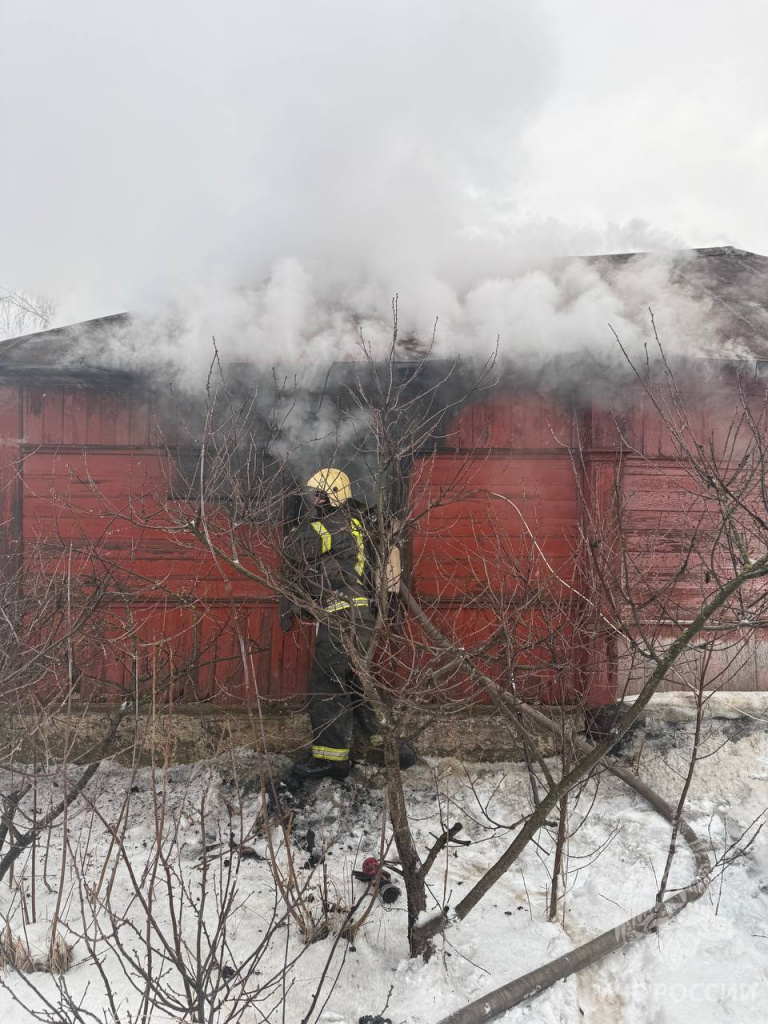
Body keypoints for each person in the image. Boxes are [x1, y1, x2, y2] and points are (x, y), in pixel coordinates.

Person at [281, 468, 416, 780]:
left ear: (333, 496)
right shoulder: (357, 523)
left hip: (343, 618)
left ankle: (332, 759)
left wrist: (296, 525)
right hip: (362, 617)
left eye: (319, 495)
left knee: (326, 684)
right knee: (357, 682)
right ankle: (393, 747)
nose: (314, 500)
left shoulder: (332, 523)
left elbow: (294, 549)